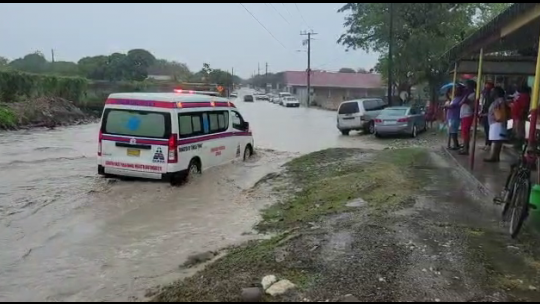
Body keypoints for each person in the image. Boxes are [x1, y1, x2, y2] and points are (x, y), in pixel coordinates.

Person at [484, 86, 509, 162]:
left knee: (496, 140)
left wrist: (502, 118)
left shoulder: (500, 100)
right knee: (497, 140)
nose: (491, 93)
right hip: (494, 123)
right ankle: (496, 156)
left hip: (497, 123)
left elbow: (502, 111)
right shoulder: (497, 101)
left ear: (496, 93)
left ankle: (493, 156)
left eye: (492, 91)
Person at [510, 84, 531, 150]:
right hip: (516, 115)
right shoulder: (521, 95)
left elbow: (524, 107)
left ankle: (519, 145)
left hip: (519, 116)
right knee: (517, 130)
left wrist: (521, 115)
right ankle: (517, 144)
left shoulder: (525, 96)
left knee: (519, 131)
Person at [459, 79, 477, 155]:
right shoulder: (467, 93)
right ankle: (465, 147)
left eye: (466, 85)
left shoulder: (472, 94)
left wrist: (465, 93)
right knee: (464, 132)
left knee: (466, 132)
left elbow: (464, 101)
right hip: (464, 114)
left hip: (468, 114)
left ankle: (466, 148)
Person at [445, 85, 464, 150]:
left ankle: (455, 144)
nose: (455, 91)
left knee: (453, 131)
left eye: (456, 90)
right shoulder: (455, 98)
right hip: (451, 116)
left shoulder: (459, 98)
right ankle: (455, 144)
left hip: (454, 116)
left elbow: (452, 106)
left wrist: (446, 106)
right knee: (452, 131)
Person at [479, 81, 495, 150]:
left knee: (488, 129)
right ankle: (487, 143)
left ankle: (489, 144)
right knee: (486, 129)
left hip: (489, 113)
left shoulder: (491, 96)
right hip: (484, 113)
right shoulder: (485, 95)